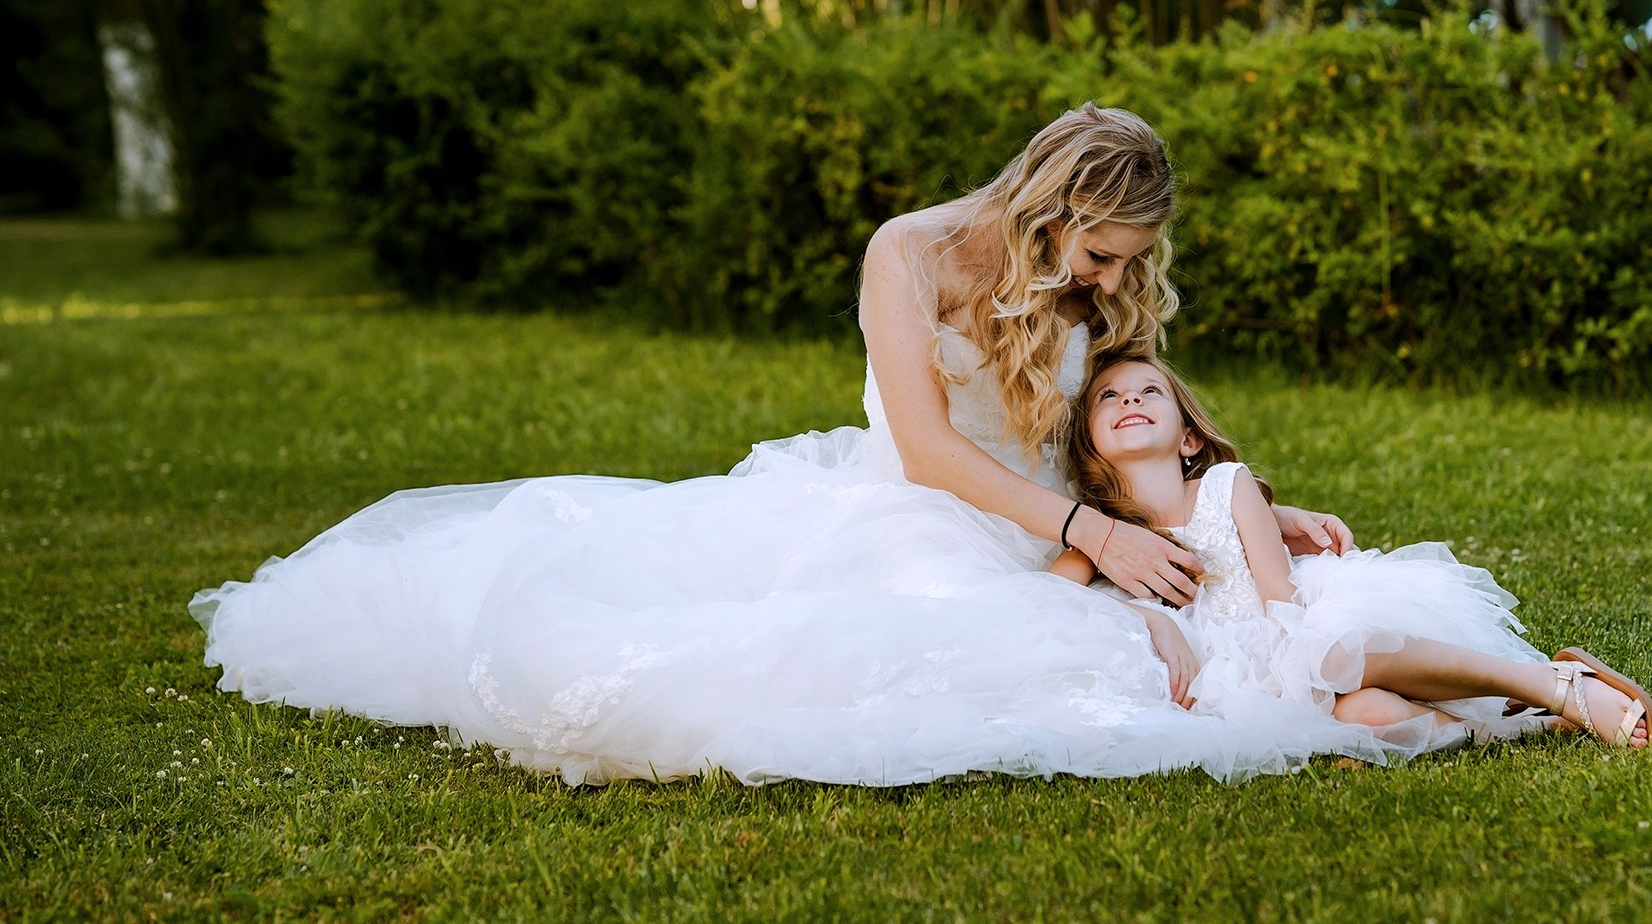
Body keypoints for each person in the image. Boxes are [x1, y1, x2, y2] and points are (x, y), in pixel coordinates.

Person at [191, 104, 1357, 786]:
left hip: (1062, 522)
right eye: (1097, 254)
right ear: (1051, 209)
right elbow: (926, 450)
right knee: (964, 651)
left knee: (1163, 622)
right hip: (927, 513)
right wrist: (1091, 532)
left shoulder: (1096, 289)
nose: (1107, 282)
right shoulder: (909, 253)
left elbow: (1130, 410)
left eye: (1124, 263)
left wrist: (1231, 503)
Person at [1054, 352, 1652, 759]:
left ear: (1189, 437)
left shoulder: (1225, 486)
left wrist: (1300, 675)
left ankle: (1554, 684)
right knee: (1365, 717)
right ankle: (1522, 728)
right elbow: (1045, 602)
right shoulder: (1099, 534)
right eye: (1110, 396)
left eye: (1150, 391)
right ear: (1090, 446)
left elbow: (1282, 601)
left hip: (1288, 641)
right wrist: (1150, 617)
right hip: (1232, 692)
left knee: (1334, 653)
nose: (1130, 400)